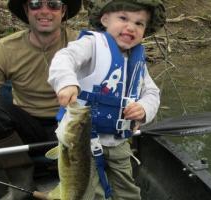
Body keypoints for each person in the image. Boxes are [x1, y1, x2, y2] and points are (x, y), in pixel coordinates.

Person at [48, 0, 166, 199]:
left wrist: (144, 109)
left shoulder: (137, 61)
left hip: (119, 142)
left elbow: (152, 93)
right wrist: (66, 82)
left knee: (127, 192)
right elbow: (64, 58)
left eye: (139, 23)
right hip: (82, 142)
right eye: (123, 18)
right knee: (85, 191)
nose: (131, 27)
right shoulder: (92, 45)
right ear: (105, 20)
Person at [0, 0, 81, 199]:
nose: (44, 11)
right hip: (26, 127)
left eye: (53, 4)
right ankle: (21, 180)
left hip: (72, 123)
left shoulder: (81, 44)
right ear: (27, 10)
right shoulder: (5, 48)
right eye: (35, 4)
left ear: (63, 11)